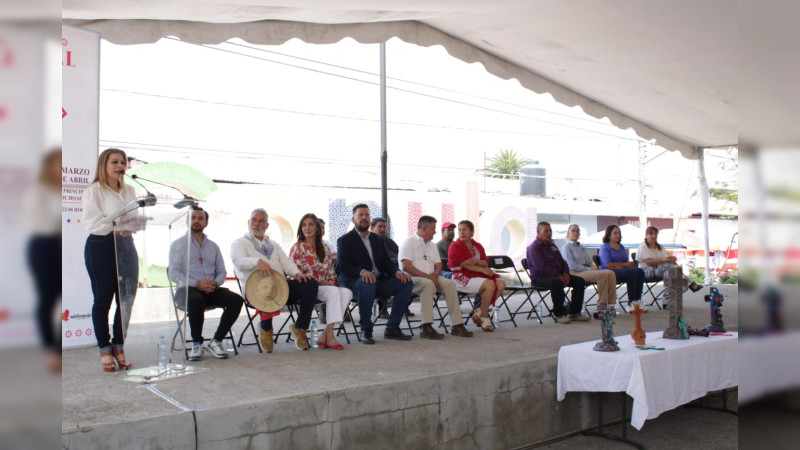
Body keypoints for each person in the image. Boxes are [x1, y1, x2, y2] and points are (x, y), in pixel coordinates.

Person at [81, 148, 145, 372]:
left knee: (126, 300)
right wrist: (119, 223)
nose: (120, 166)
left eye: (123, 162)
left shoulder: (130, 190)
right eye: (115, 162)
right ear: (104, 165)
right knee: (103, 300)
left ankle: (119, 346)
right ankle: (105, 349)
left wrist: (127, 224)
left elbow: (136, 221)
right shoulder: (94, 191)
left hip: (126, 246)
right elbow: (93, 224)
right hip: (101, 247)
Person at [230, 208, 318, 352]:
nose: (256, 224)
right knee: (267, 288)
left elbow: (286, 262)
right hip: (255, 290)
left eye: (261, 221)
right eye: (254, 220)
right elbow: (238, 260)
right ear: (248, 222)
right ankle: (266, 328)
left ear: (267, 226)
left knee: (310, 284)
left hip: (280, 288)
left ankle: (300, 328)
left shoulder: (274, 245)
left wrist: (297, 274)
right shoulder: (239, 243)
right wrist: (257, 262)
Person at [168, 207, 244, 360]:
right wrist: (197, 284)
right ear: (187, 221)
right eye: (193, 218)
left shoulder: (213, 246)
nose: (196, 221)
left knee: (236, 300)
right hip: (187, 290)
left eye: (200, 218)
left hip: (210, 290)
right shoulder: (178, 244)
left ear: (206, 223)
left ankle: (216, 341)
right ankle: (197, 343)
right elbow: (173, 273)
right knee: (196, 299)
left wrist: (215, 283)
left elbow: (221, 271)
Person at [337, 204, 414, 344]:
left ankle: (392, 327)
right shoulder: (345, 240)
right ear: (353, 219)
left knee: (406, 282)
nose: (364, 217)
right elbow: (343, 266)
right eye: (360, 215)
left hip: (378, 281)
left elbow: (386, 263)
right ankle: (366, 329)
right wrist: (361, 271)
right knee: (367, 282)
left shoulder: (377, 239)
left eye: (367, 215)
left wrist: (396, 271)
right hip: (355, 283)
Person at [398, 216, 473, 339]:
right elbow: (406, 267)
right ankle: (426, 326)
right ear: (424, 229)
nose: (435, 232)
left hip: (432, 277)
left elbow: (439, 266)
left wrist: (433, 276)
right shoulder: (409, 242)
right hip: (412, 279)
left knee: (450, 284)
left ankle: (457, 325)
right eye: (433, 228)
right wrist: (430, 278)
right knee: (428, 284)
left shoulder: (432, 245)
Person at [24, 149, 62, 372]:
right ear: (48, 166)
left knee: (65, 298)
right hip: (44, 247)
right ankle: (50, 350)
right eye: (58, 163)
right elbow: (41, 222)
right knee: (47, 297)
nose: (61, 167)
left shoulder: (62, 190)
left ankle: (58, 346)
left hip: (61, 245)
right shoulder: (39, 190)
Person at [289, 213, 351, 350]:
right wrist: (321, 282)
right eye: (304, 225)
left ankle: (327, 333)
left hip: (325, 287)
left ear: (317, 228)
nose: (307, 228)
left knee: (347, 292)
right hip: (308, 288)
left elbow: (330, 271)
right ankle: (330, 337)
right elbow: (298, 273)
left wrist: (330, 282)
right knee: (333, 291)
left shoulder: (325, 247)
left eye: (311, 224)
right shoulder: (297, 247)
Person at [448, 220, 505, 332]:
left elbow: (485, 262)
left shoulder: (477, 246)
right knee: (490, 284)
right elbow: (464, 265)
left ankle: (478, 311)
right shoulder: (454, 246)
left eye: (465, 230)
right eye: (459, 230)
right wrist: (483, 270)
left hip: (476, 274)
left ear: (472, 232)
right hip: (461, 277)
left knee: (501, 284)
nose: (461, 232)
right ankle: (484, 317)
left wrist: (477, 262)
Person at [527, 222, 590, 324]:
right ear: (538, 232)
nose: (549, 233)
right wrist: (559, 275)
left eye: (550, 231)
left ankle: (574, 312)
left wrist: (565, 273)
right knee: (557, 282)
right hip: (540, 278)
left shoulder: (552, 246)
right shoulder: (534, 248)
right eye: (546, 231)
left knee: (580, 281)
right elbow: (541, 267)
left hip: (558, 275)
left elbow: (563, 262)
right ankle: (560, 314)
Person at [637, 226, 703, 305]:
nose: (653, 236)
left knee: (669, 274)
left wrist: (673, 260)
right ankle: (690, 283)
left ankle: (666, 301)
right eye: (651, 234)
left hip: (661, 270)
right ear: (646, 235)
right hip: (646, 271)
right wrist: (665, 260)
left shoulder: (660, 247)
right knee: (668, 265)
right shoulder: (643, 247)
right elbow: (649, 262)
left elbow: (667, 260)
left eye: (655, 234)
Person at [559, 224, 618, 309]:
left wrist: (594, 268)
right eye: (573, 231)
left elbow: (589, 262)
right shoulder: (566, 247)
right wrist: (590, 269)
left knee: (611, 273)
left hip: (586, 270)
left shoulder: (581, 247)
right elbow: (572, 266)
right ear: (568, 233)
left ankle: (611, 303)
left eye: (578, 231)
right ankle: (602, 306)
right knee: (602, 275)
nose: (576, 233)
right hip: (575, 273)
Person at [598, 225, 646, 311]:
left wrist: (621, 266)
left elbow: (626, 263)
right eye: (615, 233)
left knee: (639, 271)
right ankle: (631, 302)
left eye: (619, 233)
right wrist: (623, 265)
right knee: (632, 272)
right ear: (609, 235)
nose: (618, 235)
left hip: (621, 270)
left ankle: (638, 300)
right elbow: (608, 264)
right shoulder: (604, 247)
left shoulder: (621, 247)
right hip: (610, 272)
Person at [369, 216, 409, 317]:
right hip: (379, 271)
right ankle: (382, 309)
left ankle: (403, 306)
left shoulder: (390, 242)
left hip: (395, 268)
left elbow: (400, 256)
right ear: (372, 228)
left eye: (384, 227)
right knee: (385, 275)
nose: (383, 229)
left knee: (407, 279)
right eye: (380, 227)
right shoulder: (369, 242)